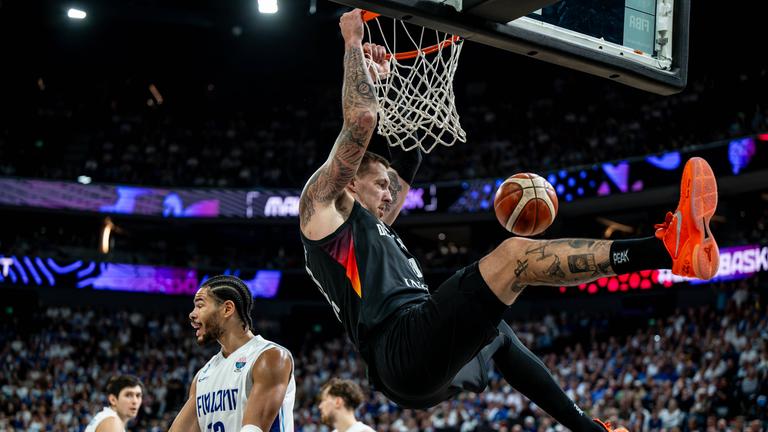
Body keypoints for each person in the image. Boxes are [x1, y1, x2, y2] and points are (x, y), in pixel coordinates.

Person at [299, 9, 719, 432]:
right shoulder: (324, 213)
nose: (392, 194)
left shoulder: (374, 224)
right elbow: (361, 122)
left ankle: (589, 430)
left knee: (495, 331)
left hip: (421, 362)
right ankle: (665, 248)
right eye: (380, 185)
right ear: (350, 183)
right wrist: (353, 44)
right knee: (514, 257)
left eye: (391, 188)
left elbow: (410, 154)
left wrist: (380, 79)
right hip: (400, 344)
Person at [169, 275, 296, 432]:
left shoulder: (269, 356)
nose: (192, 314)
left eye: (200, 306)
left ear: (227, 309)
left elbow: (253, 429)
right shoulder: (202, 376)